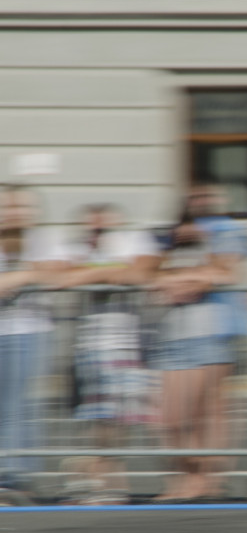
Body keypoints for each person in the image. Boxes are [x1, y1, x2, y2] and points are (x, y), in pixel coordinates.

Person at [148, 183, 247, 501]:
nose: (191, 229)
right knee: (172, 416)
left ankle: (204, 480)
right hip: (173, 338)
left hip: (209, 335)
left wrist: (187, 281)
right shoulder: (165, 249)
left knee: (205, 413)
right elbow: (149, 279)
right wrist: (181, 280)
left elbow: (223, 274)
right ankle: (188, 476)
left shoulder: (222, 235)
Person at [55, 204, 160, 504]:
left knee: (120, 420)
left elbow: (140, 274)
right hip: (91, 344)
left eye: (103, 227)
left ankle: (99, 478)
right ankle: (101, 481)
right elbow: (62, 278)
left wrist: (95, 272)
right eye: (93, 228)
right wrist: (113, 271)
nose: (97, 233)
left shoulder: (135, 240)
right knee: (99, 419)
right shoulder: (73, 247)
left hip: (126, 343)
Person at [0, 186, 67, 495]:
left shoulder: (45, 241)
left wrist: (21, 277)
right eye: (8, 207)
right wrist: (29, 275)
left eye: (20, 207)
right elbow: (38, 275)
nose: (13, 213)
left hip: (27, 332)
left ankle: (13, 479)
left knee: (18, 407)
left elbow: (57, 275)